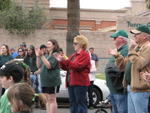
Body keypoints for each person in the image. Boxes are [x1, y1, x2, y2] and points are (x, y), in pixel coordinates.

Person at [109, 25, 150, 113]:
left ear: (145, 36)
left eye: (137, 34)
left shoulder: (148, 47)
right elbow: (124, 65)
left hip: (140, 88)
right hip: (131, 87)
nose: (134, 36)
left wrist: (131, 50)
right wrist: (117, 56)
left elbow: (139, 64)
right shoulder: (136, 48)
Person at [56, 35, 91, 113]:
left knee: (80, 103)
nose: (73, 45)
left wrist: (66, 60)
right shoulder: (74, 55)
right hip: (71, 82)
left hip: (80, 83)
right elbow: (67, 67)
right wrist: (61, 61)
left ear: (81, 44)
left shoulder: (85, 54)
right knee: (73, 103)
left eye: (75, 43)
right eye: (73, 43)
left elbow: (78, 66)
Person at [105, 30, 128, 113]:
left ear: (121, 39)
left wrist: (110, 67)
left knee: (121, 110)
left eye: (115, 38)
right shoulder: (118, 50)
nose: (113, 40)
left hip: (119, 88)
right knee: (115, 110)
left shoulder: (125, 50)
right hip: (114, 88)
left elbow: (121, 67)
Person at [36, 39, 61, 113]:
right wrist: (38, 56)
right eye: (47, 44)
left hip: (52, 81)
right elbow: (39, 66)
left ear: (54, 45)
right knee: (47, 100)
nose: (47, 45)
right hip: (45, 80)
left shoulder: (56, 54)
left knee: (52, 99)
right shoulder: (46, 55)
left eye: (49, 44)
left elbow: (49, 66)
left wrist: (42, 56)